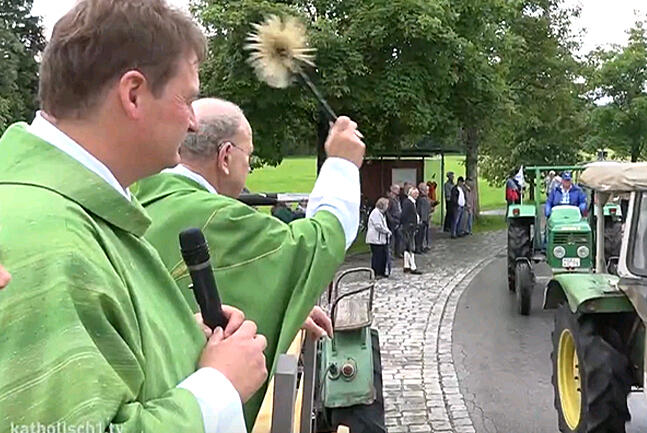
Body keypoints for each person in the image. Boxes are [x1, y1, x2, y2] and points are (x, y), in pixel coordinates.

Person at [0, 2, 265, 431]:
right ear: (134, 94)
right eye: (188, 99)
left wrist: (171, 336)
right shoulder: (53, 243)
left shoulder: (77, 208)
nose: (194, 123)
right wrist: (220, 386)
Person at [134, 98, 364, 428]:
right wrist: (342, 165)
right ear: (226, 156)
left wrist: (286, 305)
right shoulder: (217, 217)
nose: (249, 168)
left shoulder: (142, 198)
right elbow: (318, 243)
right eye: (249, 155)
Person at [366, 198, 392, 278]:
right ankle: (376, 273)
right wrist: (387, 231)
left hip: (381, 239)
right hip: (375, 239)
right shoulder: (375, 213)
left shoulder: (382, 213)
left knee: (383, 256)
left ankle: (382, 271)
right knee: (377, 256)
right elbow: (378, 226)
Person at [400, 186, 423, 274]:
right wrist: (408, 224)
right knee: (410, 247)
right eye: (415, 193)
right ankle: (413, 266)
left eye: (417, 193)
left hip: (410, 226)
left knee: (407, 246)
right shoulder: (408, 202)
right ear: (411, 193)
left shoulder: (412, 202)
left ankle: (406, 265)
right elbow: (404, 215)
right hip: (408, 227)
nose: (417, 195)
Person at [387, 184, 403, 259]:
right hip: (392, 221)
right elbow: (387, 212)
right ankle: (390, 253)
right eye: (397, 189)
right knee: (391, 238)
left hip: (398, 220)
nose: (399, 191)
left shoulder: (397, 199)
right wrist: (391, 220)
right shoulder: (390, 200)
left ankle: (398, 252)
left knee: (398, 237)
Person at [415, 182, 431, 253]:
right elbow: (421, 210)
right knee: (419, 234)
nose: (428, 191)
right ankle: (418, 247)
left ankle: (421, 246)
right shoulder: (421, 199)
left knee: (423, 234)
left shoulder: (425, 198)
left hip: (425, 218)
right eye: (426, 189)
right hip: (422, 219)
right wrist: (423, 219)